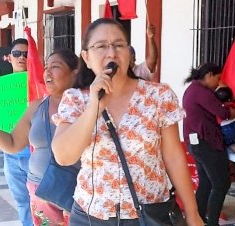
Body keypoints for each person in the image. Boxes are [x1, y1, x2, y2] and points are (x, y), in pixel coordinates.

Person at [50, 18, 203, 226]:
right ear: (86, 57)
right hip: (92, 215)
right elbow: (64, 156)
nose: (111, 53)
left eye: (119, 45)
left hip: (149, 215)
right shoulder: (76, 99)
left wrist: (192, 212)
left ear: (129, 53)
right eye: (101, 46)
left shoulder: (158, 96)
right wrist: (94, 107)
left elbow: (174, 158)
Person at [0, 49, 79, 225]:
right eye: (46, 67)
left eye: (55, 66)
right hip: (40, 194)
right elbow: (13, 143)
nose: (47, 71)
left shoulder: (88, 104)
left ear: (75, 73)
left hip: (74, 193)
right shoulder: (37, 105)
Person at [182, 63, 235, 226]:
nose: (218, 82)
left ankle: (198, 219)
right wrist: (234, 111)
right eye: (218, 78)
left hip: (196, 142)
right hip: (206, 142)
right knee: (221, 184)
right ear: (208, 75)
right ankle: (212, 222)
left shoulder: (193, 89)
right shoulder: (201, 92)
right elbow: (222, 112)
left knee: (207, 182)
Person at [3, 38, 33, 226]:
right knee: (22, 202)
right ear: (9, 57)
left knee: (40, 202)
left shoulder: (40, 85)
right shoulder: (0, 89)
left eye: (26, 54)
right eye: (17, 54)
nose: (21, 57)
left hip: (34, 153)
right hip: (11, 154)